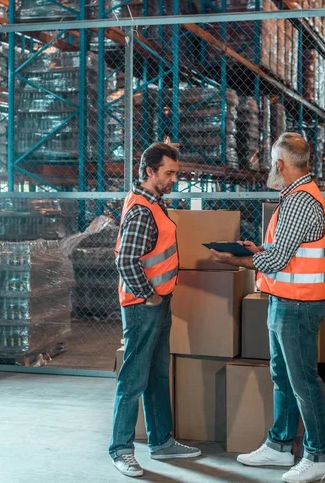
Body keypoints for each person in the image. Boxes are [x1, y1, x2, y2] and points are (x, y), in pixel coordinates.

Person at [211, 132, 325, 483]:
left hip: (298, 306)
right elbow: (285, 251)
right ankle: (280, 446)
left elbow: (279, 259)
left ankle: (318, 456)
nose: (270, 168)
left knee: (302, 381)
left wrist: (236, 260)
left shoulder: (299, 201)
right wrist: (255, 248)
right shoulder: (297, 197)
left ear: (280, 164)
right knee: (283, 377)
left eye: (271, 163)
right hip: (286, 301)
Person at [110, 142, 201, 478]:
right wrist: (148, 295)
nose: (173, 179)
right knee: (133, 379)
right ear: (149, 172)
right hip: (142, 306)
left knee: (158, 375)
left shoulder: (152, 202)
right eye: (168, 173)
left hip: (158, 303)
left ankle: (161, 441)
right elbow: (124, 259)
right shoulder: (141, 210)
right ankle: (121, 449)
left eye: (175, 173)